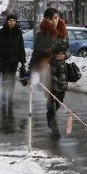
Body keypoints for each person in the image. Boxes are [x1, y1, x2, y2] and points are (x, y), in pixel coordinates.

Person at [29, 8, 69, 138]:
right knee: (51, 97)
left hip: (61, 70)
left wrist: (65, 55)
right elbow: (36, 53)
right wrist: (31, 72)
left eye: (56, 18)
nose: (54, 21)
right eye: (51, 18)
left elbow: (68, 49)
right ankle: (53, 123)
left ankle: (50, 115)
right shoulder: (42, 35)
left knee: (60, 97)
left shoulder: (63, 32)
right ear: (46, 19)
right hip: (47, 70)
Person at [0, 13, 27, 106]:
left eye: (13, 21)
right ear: (7, 21)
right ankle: (4, 93)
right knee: (6, 76)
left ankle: (10, 97)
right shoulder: (2, 31)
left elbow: (21, 46)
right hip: (4, 58)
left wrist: (23, 60)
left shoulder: (18, 32)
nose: (12, 22)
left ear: (15, 22)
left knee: (12, 78)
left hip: (15, 58)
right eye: (10, 20)